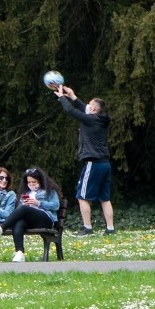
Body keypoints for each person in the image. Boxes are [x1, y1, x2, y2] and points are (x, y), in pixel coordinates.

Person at [55, 84, 115, 236]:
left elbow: (70, 111)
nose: (87, 105)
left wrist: (61, 97)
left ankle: (87, 228)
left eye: (90, 104)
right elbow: (84, 109)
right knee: (104, 198)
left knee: (82, 196)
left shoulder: (90, 120)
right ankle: (110, 229)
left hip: (92, 163)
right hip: (105, 164)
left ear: (94, 109)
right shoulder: (100, 119)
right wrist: (73, 96)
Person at [0, 167, 62, 262]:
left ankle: (1, 228)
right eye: (29, 182)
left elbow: (55, 205)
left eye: (34, 182)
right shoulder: (26, 193)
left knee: (24, 209)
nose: (31, 184)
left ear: (40, 181)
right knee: (19, 222)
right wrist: (24, 204)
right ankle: (19, 252)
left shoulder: (49, 190)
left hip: (45, 219)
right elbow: (19, 210)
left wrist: (38, 203)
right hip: (30, 220)